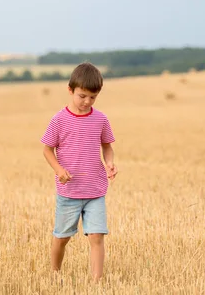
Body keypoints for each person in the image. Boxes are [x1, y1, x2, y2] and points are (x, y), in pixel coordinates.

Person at [40, 62, 118, 282]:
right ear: (70, 90)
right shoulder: (59, 120)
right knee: (62, 237)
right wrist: (58, 169)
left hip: (95, 190)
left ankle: (97, 281)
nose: (87, 102)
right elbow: (47, 150)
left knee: (97, 236)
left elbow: (107, 146)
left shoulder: (101, 119)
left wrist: (110, 162)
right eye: (82, 96)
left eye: (93, 97)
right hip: (69, 193)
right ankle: (54, 274)